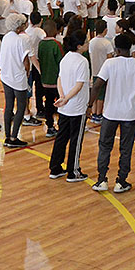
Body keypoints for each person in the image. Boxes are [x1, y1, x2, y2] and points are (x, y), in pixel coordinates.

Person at [93, 32, 135, 193]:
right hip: (130, 114)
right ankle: (121, 181)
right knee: (126, 148)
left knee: (105, 146)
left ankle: (101, 180)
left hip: (110, 113)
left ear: (116, 49)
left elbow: (98, 84)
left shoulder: (109, 64)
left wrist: (89, 104)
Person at [50, 31, 91, 182]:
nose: (88, 43)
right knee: (76, 139)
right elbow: (80, 85)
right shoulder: (82, 61)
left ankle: (55, 167)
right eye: (86, 41)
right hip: (77, 107)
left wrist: (62, 97)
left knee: (61, 137)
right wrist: (66, 98)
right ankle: (73, 171)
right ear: (79, 46)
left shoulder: (66, 58)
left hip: (65, 107)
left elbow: (59, 78)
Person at [0, 14, 32, 146]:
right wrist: (27, 73)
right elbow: (25, 61)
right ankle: (13, 137)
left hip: (6, 75)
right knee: (21, 106)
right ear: (19, 26)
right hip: (18, 77)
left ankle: (7, 135)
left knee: (9, 106)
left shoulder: (6, 37)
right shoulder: (20, 40)